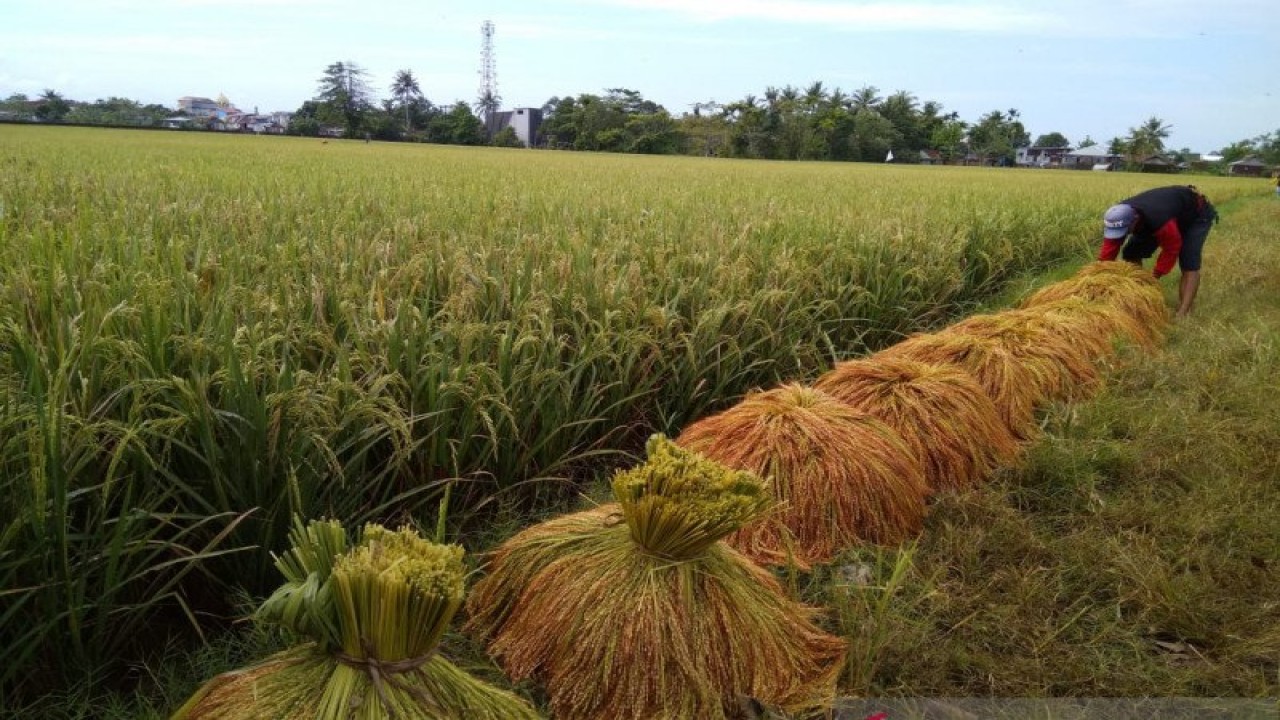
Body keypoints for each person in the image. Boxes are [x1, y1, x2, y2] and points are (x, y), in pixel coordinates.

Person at [1099, 185, 1217, 317]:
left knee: (1188, 261)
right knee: (1131, 253)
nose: (1123, 233)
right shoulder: (1118, 215)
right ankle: (1138, 292)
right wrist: (1099, 274)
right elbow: (1110, 247)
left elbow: (1171, 249)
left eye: (1125, 230)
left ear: (1135, 220)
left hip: (1195, 216)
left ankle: (1183, 312)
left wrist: (1155, 276)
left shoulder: (1159, 219)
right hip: (1162, 215)